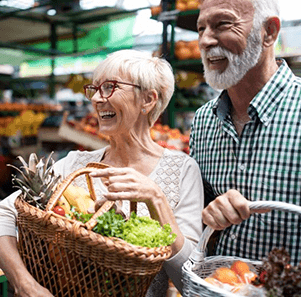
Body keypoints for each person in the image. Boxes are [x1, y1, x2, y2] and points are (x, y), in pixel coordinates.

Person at [0, 49, 204, 297]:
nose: (97, 99)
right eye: (94, 89)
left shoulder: (182, 171)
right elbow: (4, 213)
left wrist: (157, 201)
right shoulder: (74, 164)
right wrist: (25, 285)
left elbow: (190, 283)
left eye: (109, 87)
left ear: (148, 100)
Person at [190, 0, 301, 266]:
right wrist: (207, 212)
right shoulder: (204, 120)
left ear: (269, 32)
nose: (205, 40)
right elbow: (198, 217)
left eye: (223, 24)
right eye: (200, 28)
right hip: (216, 286)